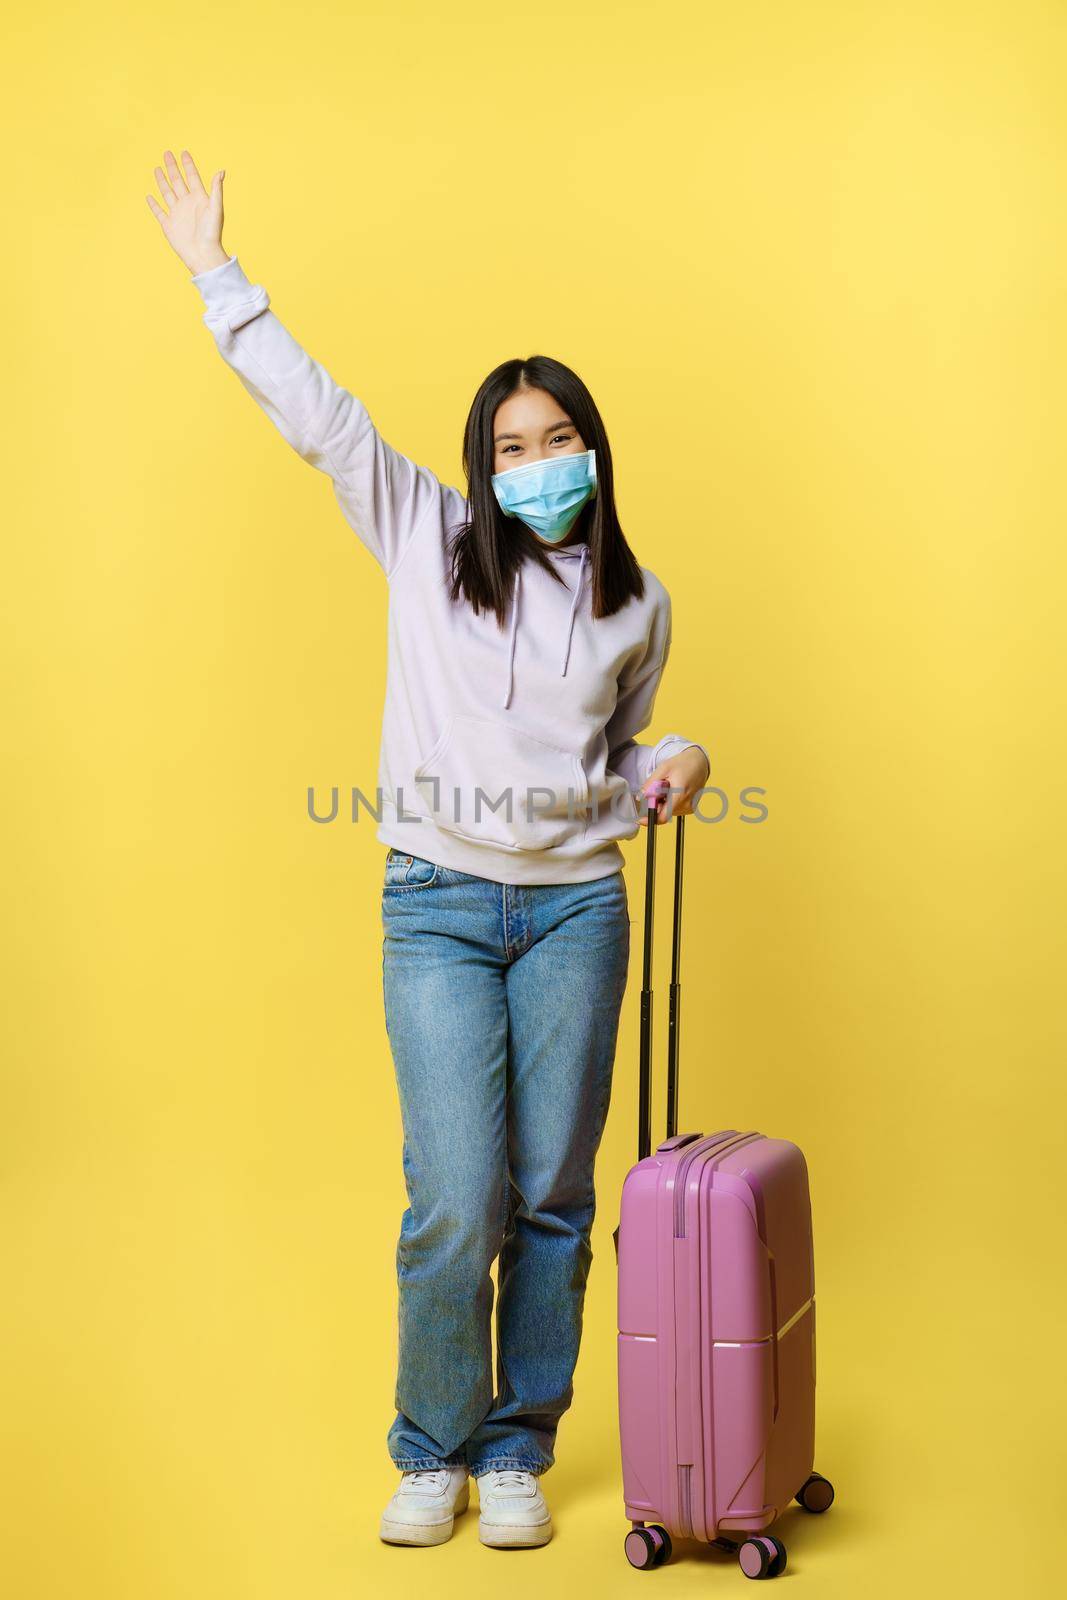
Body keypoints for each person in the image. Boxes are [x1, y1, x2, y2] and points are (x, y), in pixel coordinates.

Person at [147, 148, 710, 1550]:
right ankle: (431, 1444)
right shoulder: (422, 533)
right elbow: (321, 419)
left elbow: (610, 761)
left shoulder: (638, 604)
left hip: (579, 910)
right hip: (442, 907)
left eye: (556, 440)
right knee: (456, 1199)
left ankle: (520, 1445)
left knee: (557, 1197)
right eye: (510, 446)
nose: (535, 465)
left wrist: (677, 758)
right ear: (480, 464)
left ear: (595, 449)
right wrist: (222, 278)